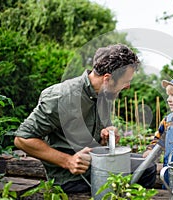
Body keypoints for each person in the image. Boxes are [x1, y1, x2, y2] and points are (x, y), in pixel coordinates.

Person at [14, 44, 156, 193]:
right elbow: (22, 139)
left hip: (96, 165)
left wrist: (106, 135)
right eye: (125, 81)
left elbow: (98, 138)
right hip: (71, 177)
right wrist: (67, 161)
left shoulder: (105, 94)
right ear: (107, 78)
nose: (128, 86)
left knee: (147, 167)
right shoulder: (62, 97)